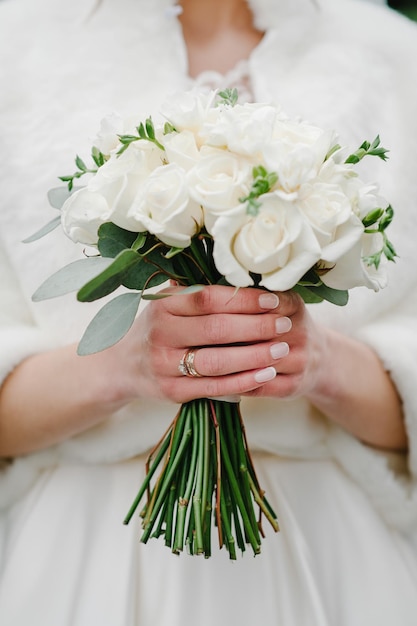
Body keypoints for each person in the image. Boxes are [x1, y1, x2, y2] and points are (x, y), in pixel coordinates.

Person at [1, 0, 417, 624]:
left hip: (334, 547)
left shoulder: (394, 54)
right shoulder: (15, 44)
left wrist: (322, 362)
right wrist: (124, 366)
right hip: (85, 547)